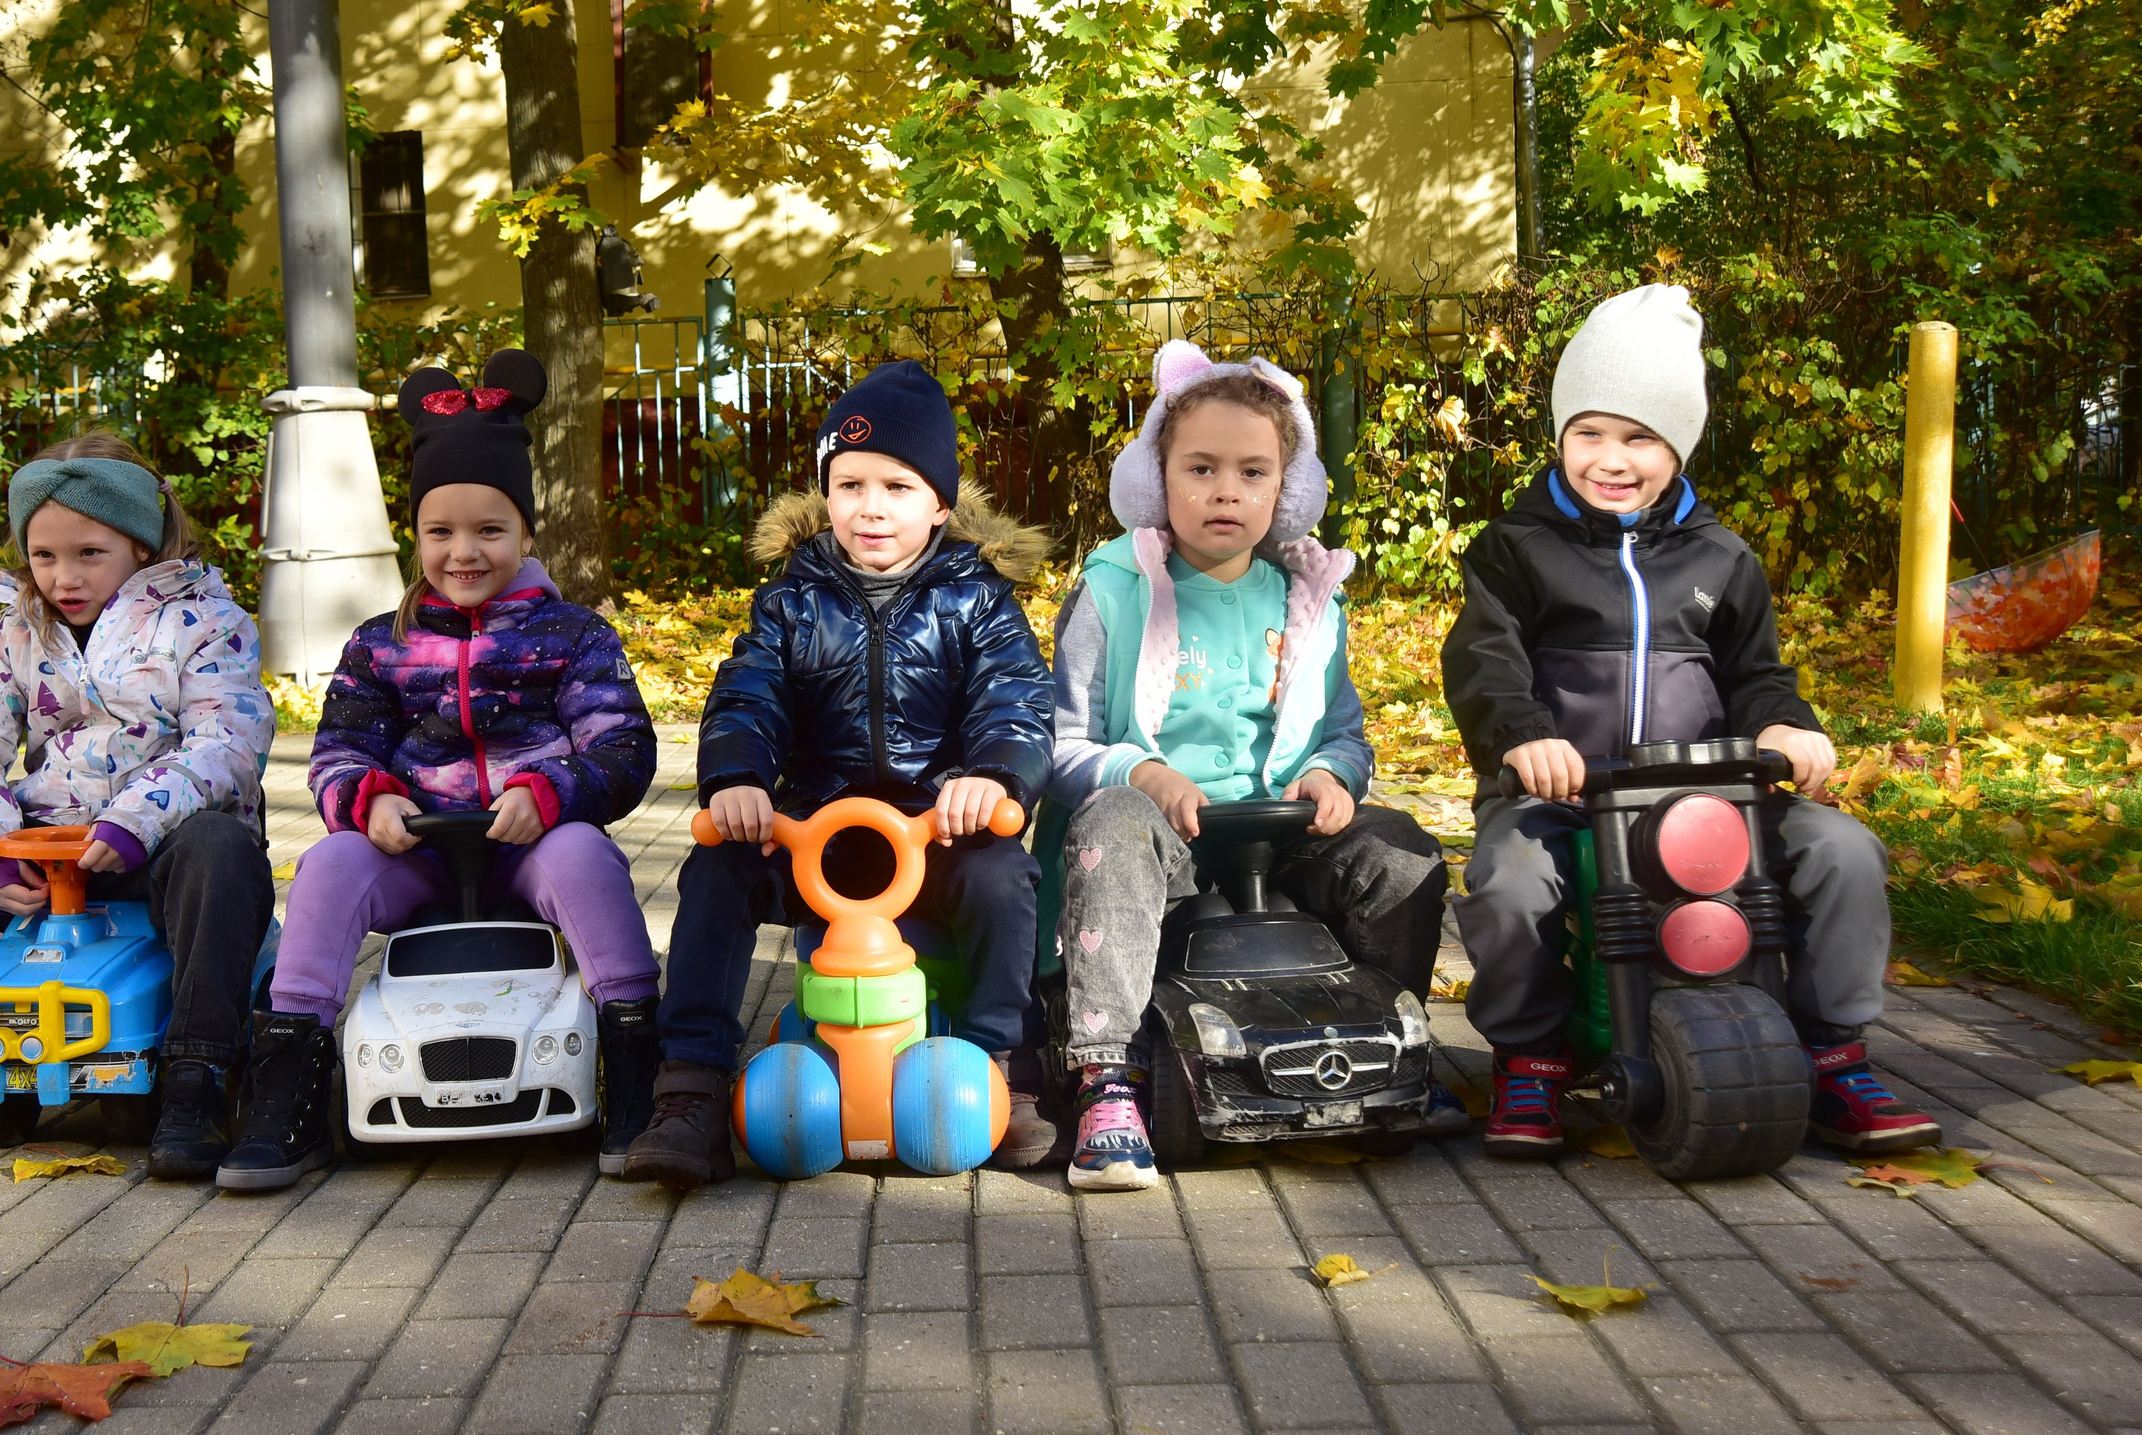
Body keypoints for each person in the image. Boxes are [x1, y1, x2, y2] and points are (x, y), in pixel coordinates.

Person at [1443, 282, 1940, 1157]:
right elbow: (1484, 660)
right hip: (1570, 789)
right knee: (1511, 877)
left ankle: (1832, 1053)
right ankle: (1532, 1058)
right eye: (1589, 432)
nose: (1612, 456)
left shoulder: (1721, 555)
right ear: (1560, 435)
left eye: (1640, 436)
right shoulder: (1515, 548)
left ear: (1679, 444)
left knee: (1841, 852)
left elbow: (1758, 674)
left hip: (1710, 796)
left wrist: (1786, 726)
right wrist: (1523, 737)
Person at [219, 350, 661, 1189]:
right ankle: (290, 1083)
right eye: (441, 531)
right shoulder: (379, 643)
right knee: (328, 864)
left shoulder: (573, 635)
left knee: (584, 856)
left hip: (529, 847)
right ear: (415, 533)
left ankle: (637, 1056)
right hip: (417, 851)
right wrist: (368, 800)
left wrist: (553, 788)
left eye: (490, 530)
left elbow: (622, 748)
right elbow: (338, 751)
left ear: (527, 532)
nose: (464, 551)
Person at [620, 360, 1057, 1188]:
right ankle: (693, 1084)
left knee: (1004, 879)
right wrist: (737, 778)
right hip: (815, 832)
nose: (871, 506)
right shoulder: (792, 601)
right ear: (827, 494)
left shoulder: (978, 601)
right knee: (717, 870)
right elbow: (748, 695)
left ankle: (1004, 1062)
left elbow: (1016, 699)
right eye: (849, 484)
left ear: (939, 501)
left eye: (897, 485)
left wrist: (992, 775)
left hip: (934, 833)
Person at [1043, 340, 1463, 1192]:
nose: (1225, 490)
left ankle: (1387, 1045)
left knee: (1401, 852)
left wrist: (1332, 778)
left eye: (1252, 472)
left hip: (1281, 832)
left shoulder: (1307, 598)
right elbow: (1062, 742)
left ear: (1287, 488)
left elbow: (1344, 734)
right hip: (1159, 832)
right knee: (1112, 826)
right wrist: (1143, 773)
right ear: (1158, 478)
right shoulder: (1113, 589)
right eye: (1200, 468)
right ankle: (1106, 1077)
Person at [0, 432, 277, 1178]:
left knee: (220, 847)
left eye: (88, 553)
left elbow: (227, 742)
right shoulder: (14, 631)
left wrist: (134, 823)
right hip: (45, 856)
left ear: (140, 542)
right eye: (44, 556)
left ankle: (196, 1075)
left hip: (154, 850)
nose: (63, 576)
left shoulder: (206, 622)